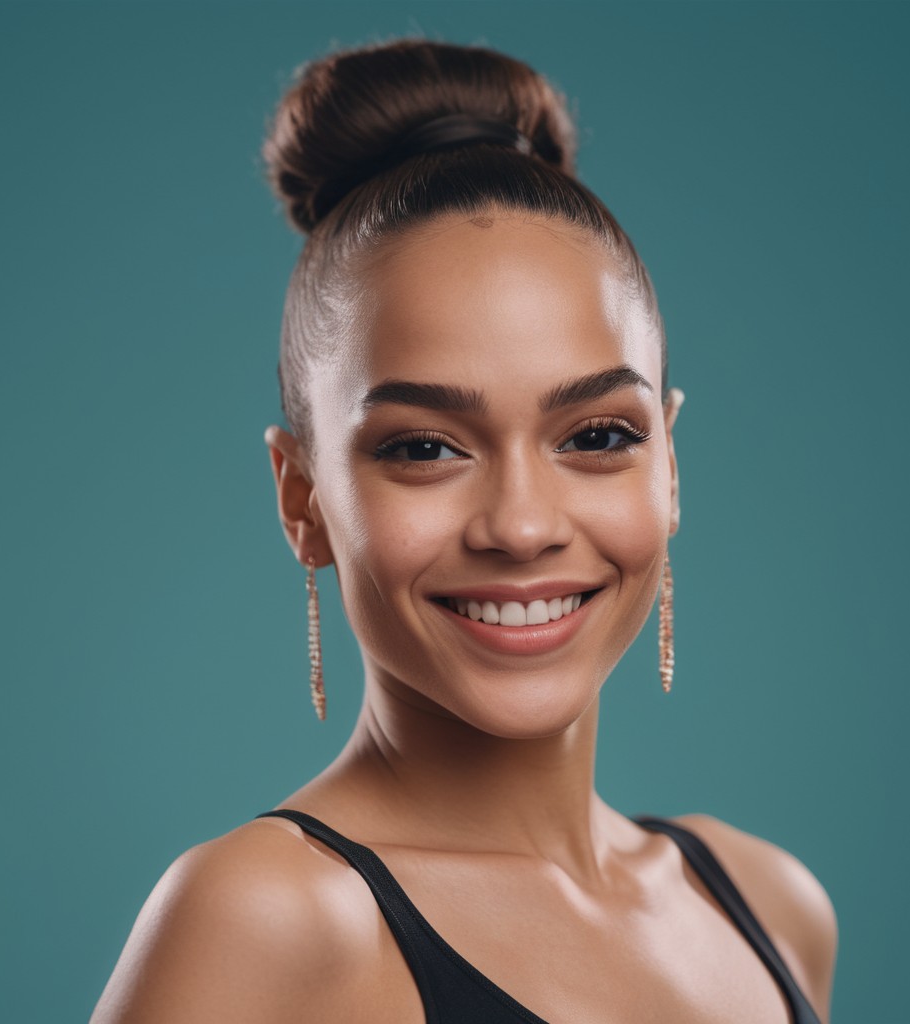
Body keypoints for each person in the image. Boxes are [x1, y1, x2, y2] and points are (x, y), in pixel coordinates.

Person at [91, 38, 837, 1024]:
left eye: (598, 434)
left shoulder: (769, 905)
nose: (521, 525)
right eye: (424, 449)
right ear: (302, 498)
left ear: (669, 465)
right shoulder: (266, 920)